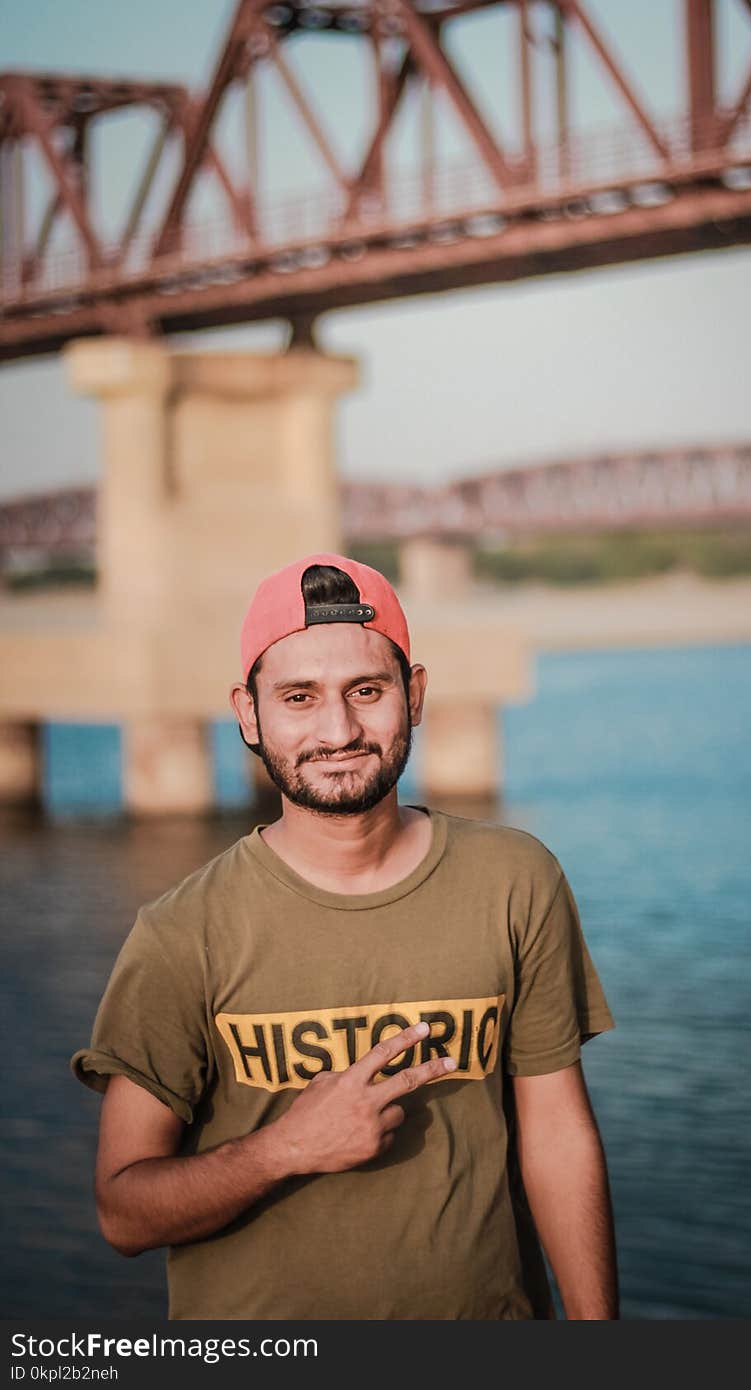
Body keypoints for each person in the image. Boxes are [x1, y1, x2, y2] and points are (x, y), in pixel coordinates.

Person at [71, 552, 618, 1320]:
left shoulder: (515, 880)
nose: (339, 729)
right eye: (299, 697)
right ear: (247, 713)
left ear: (414, 694)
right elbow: (123, 1213)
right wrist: (284, 1149)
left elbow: (558, 1136)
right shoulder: (180, 933)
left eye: (367, 691)